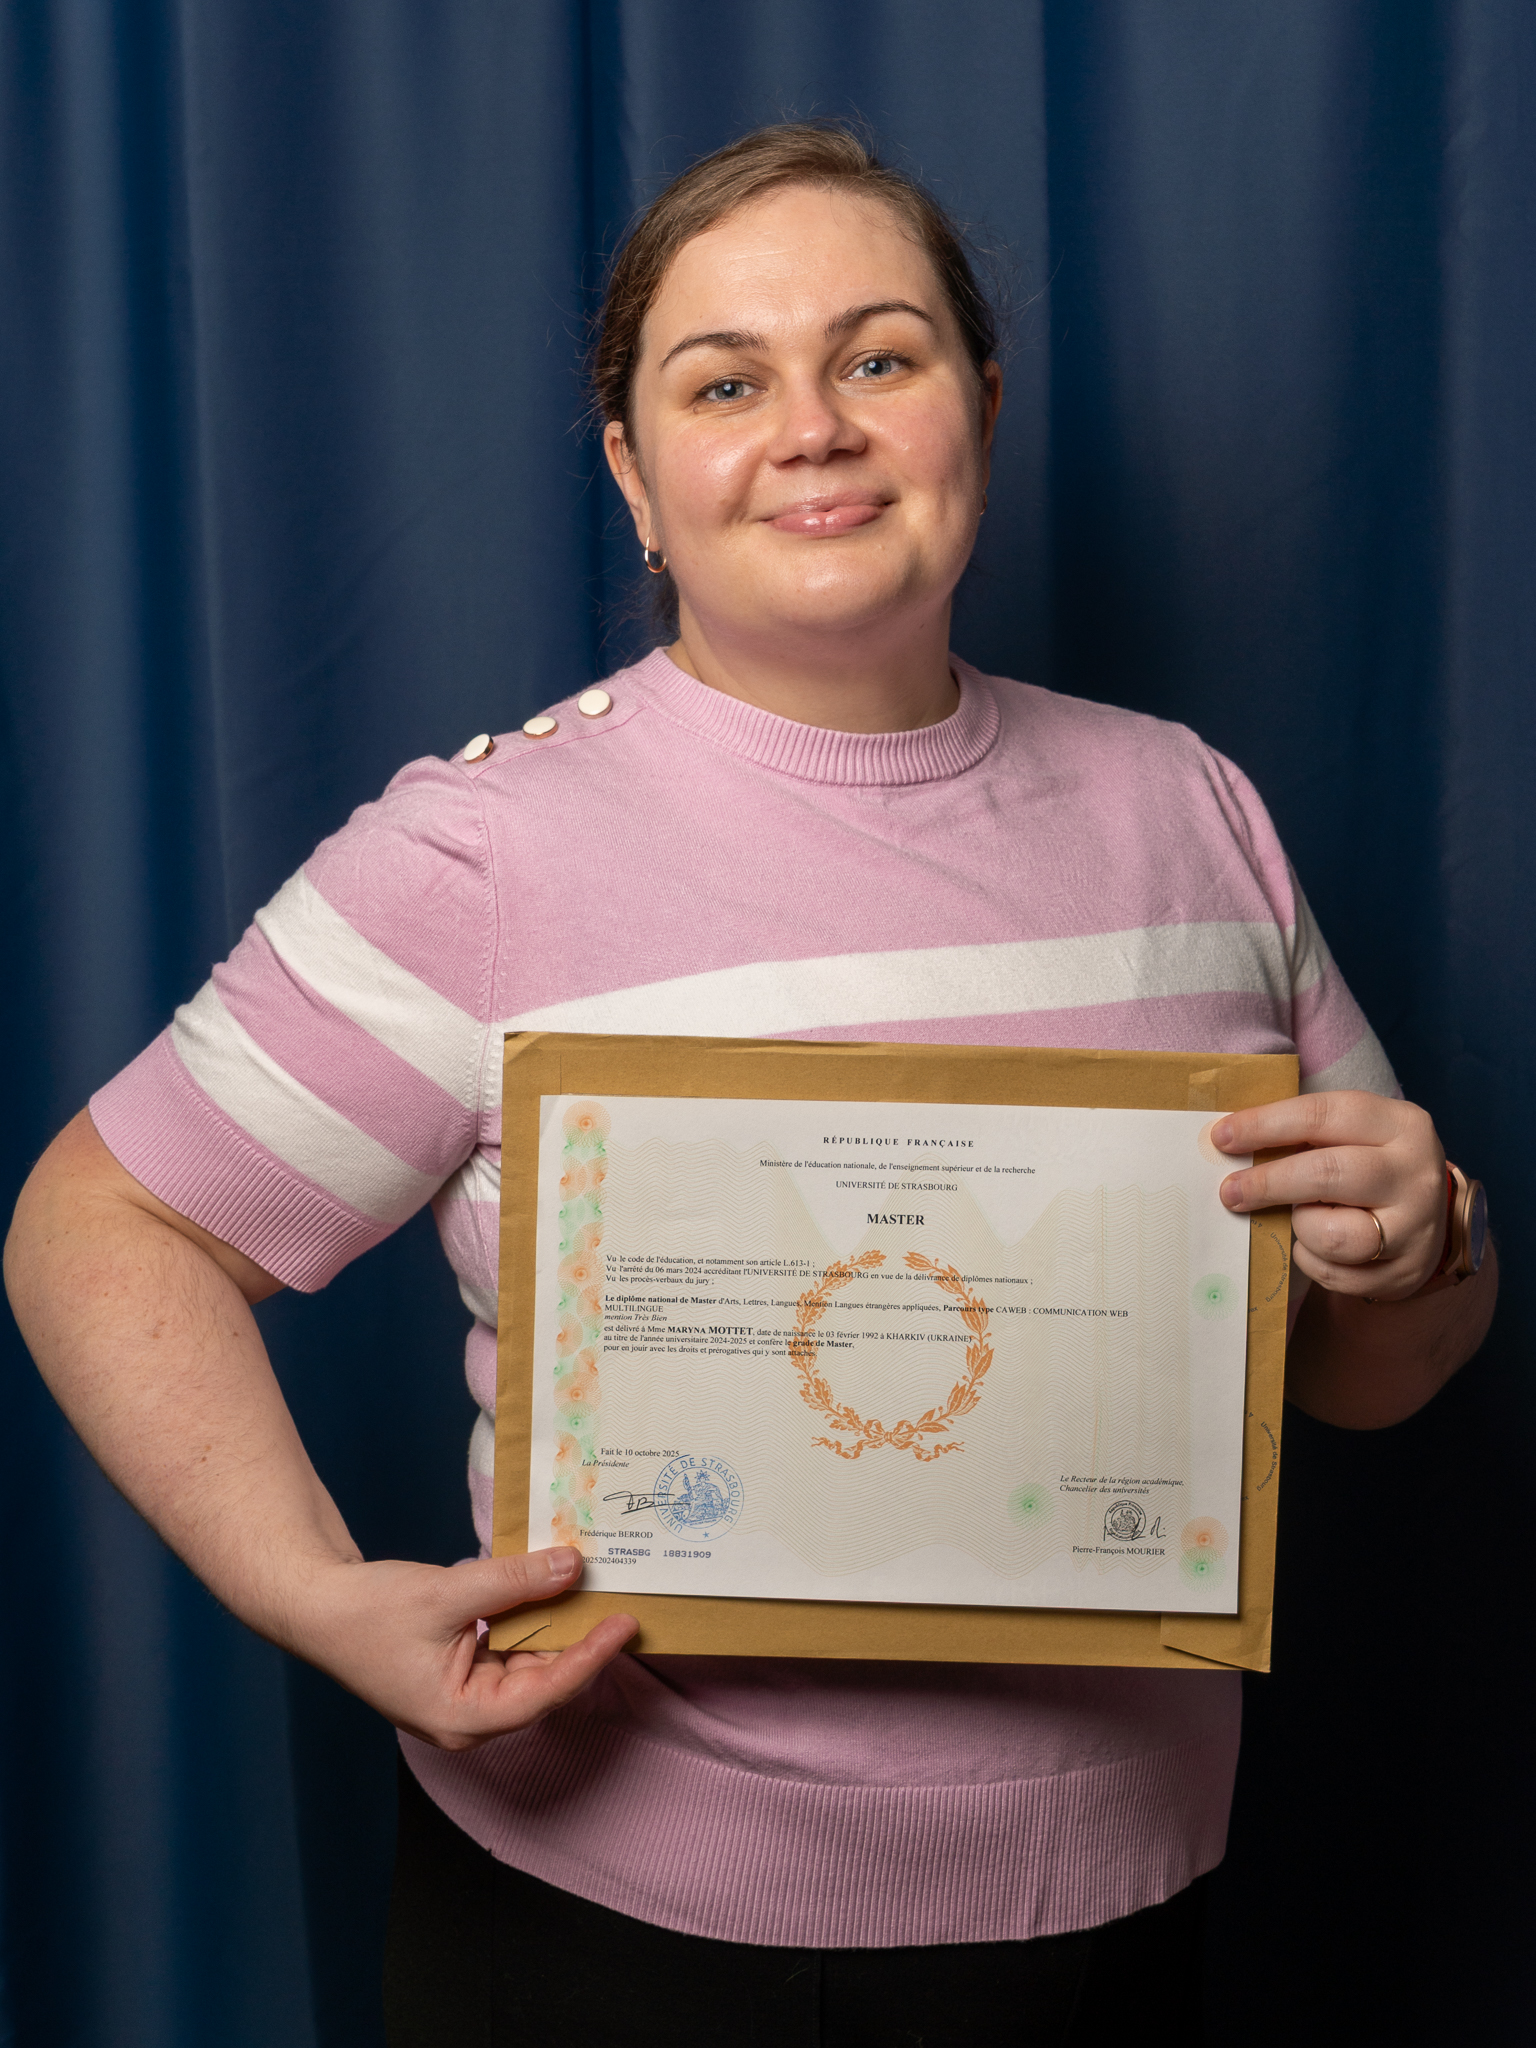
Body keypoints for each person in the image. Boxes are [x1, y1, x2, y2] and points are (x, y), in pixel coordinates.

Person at [4, 123, 1497, 2047]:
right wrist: (314, 1594)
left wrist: (1427, 1254)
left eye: (879, 357)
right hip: (608, 1925)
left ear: (982, 402)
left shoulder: (1191, 807)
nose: (815, 427)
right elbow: (100, 1220)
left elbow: (1360, 1372)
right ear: (637, 471)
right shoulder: (486, 852)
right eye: (726, 382)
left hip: (1119, 1906)